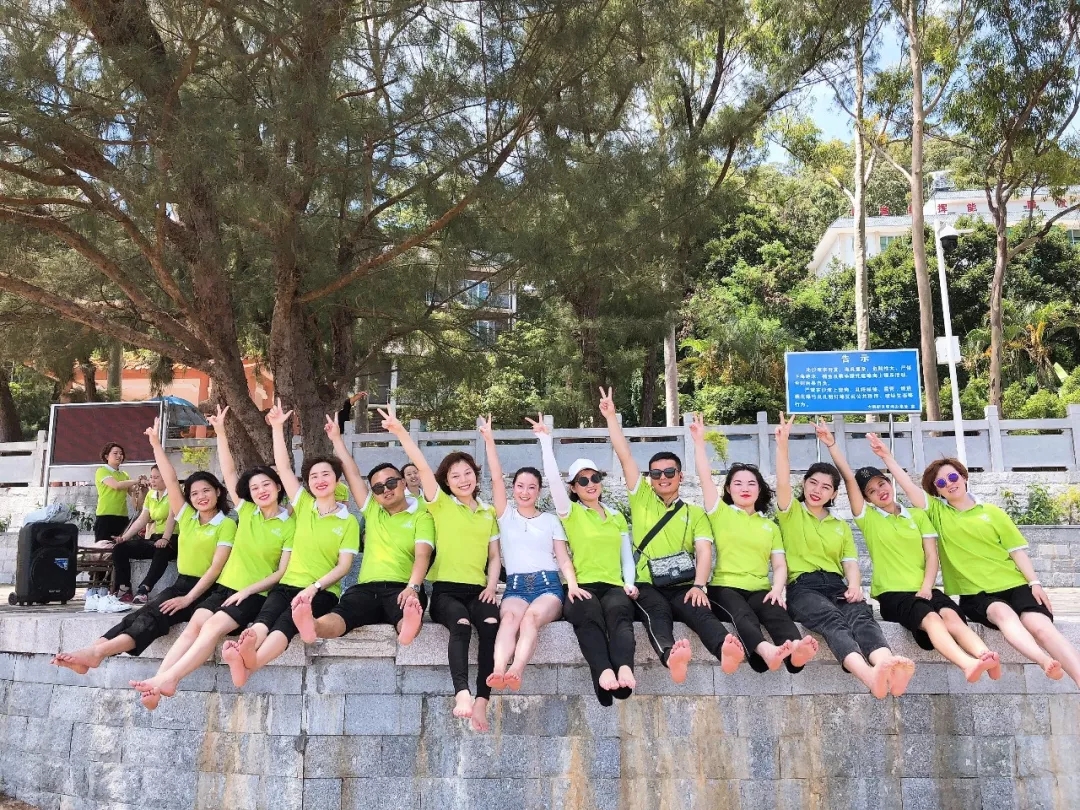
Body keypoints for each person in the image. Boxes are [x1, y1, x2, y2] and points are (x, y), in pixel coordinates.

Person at [876, 440, 1080, 687]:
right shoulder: (938, 513)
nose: (949, 483)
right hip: (977, 595)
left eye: (953, 477)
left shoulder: (992, 512)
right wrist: (887, 457)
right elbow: (908, 487)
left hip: (1014, 584)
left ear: (963, 477)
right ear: (937, 491)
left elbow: (1017, 552)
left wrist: (1034, 583)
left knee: (1041, 627)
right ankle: (1044, 661)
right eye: (941, 483)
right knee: (1002, 614)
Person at [129, 406, 295, 708]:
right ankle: (161, 679)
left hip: (252, 595)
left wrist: (247, 591)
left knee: (211, 628)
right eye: (254, 487)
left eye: (266, 485)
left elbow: (280, 573)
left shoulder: (290, 525)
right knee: (194, 626)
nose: (260, 491)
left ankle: (168, 679)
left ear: (278, 487)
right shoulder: (247, 511)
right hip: (224, 587)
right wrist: (220, 431)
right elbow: (228, 472)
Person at [52, 419, 236, 675]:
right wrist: (156, 444)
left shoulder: (226, 525)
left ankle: (97, 654)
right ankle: (92, 651)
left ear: (218, 492)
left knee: (154, 618)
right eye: (194, 493)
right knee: (138, 615)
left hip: (206, 590)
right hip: (182, 583)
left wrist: (188, 599)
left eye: (206, 491)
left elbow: (216, 569)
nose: (200, 497)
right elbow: (171, 480)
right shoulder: (187, 517)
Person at [819, 427, 1001, 683]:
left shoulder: (917, 515)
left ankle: (984, 655)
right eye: (871, 491)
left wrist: (927, 587)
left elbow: (932, 556)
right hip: (894, 595)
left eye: (881, 483)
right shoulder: (868, 518)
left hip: (925, 589)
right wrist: (832, 445)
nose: (880, 491)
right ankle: (967, 664)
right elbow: (849, 479)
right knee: (932, 619)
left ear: (889, 483)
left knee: (951, 616)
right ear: (867, 499)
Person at [600, 387, 744, 683]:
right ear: (649, 478)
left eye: (669, 472)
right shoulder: (641, 498)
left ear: (680, 476)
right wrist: (611, 417)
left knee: (700, 610)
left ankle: (725, 650)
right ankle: (670, 656)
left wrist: (700, 586)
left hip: (682, 582)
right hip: (647, 581)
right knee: (656, 613)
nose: (662, 478)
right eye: (656, 474)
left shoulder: (695, 513)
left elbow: (704, 551)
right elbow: (625, 456)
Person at [774, 413, 914, 699]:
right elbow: (783, 480)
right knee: (832, 619)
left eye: (826, 487)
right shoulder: (791, 512)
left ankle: (886, 664)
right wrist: (783, 444)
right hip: (804, 588)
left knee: (861, 615)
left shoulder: (840, 526)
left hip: (836, 584)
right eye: (813, 483)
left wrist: (854, 585)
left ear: (834, 494)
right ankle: (869, 676)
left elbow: (850, 563)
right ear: (804, 485)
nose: (817, 490)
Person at [221, 400, 360, 686]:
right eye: (313, 476)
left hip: (321, 591)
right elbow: (283, 468)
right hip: (287, 584)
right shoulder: (304, 505)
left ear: (337, 480)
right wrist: (277, 427)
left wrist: (314, 587)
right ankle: (245, 651)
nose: (320, 480)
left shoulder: (348, 522)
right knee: (266, 617)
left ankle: (248, 664)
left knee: (286, 622)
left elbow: (344, 567)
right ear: (307, 483)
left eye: (326, 474)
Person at [382, 404, 501, 733]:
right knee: (461, 626)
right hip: (447, 592)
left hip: (479, 591)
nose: (463, 479)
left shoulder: (488, 512)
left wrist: (492, 587)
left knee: (491, 626)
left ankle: (482, 700)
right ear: (446, 482)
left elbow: (494, 557)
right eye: (455, 476)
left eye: (467, 473)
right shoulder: (442, 505)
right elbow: (421, 465)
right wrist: (400, 431)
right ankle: (462, 693)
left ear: (475, 475)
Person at [688, 414, 819, 674]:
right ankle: (766, 651)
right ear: (728, 489)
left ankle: (795, 653)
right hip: (725, 588)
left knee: (776, 611)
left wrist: (777, 589)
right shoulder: (720, 513)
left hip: (760, 588)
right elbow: (705, 477)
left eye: (751, 483)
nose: (745, 488)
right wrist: (699, 442)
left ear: (760, 490)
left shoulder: (770, 526)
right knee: (742, 613)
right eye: (737, 483)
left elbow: (779, 565)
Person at [295, 415, 432, 646]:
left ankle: (407, 627)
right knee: (342, 614)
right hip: (366, 588)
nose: (385, 490)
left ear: (403, 483)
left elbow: (423, 556)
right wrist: (336, 438)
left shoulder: (422, 516)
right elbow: (351, 474)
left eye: (391, 483)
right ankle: (313, 626)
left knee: (407, 609)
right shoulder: (373, 511)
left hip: (402, 587)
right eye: (378, 488)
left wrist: (413, 587)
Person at [534, 413, 638, 706]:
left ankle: (624, 667)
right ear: (574, 487)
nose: (590, 483)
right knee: (588, 616)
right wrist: (545, 442)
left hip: (613, 584)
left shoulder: (615, 516)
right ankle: (604, 670)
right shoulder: (572, 513)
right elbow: (553, 480)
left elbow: (626, 557)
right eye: (582, 480)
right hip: (582, 585)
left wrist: (629, 583)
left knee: (620, 615)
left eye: (594, 478)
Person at [479, 415, 576, 692]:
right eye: (520, 486)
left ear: (539, 491)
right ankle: (498, 670)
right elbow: (496, 478)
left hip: (548, 587)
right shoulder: (505, 516)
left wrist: (572, 586)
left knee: (531, 618)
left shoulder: (550, 520)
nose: (525, 492)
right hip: (516, 587)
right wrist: (489, 441)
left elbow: (563, 558)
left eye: (531, 487)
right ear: (513, 489)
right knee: (509, 619)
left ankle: (516, 669)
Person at [110, 465, 177, 603]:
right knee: (120, 548)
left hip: (174, 539)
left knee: (162, 549)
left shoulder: (175, 493)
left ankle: (144, 589)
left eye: (156, 477)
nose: (152, 480)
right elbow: (142, 519)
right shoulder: (151, 495)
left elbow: (172, 517)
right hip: (156, 538)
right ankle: (124, 588)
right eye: (151, 477)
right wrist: (124, 537)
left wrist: (165, 538)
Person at [94, 441, 144, 546]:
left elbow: (133, 493)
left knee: (121, 547)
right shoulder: (102, 471)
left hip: (122, 516)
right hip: (105, 515)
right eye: (115, 453)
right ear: (106, 456)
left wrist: (141, 487)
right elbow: (116, 485)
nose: (119, 456)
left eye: (121, 453)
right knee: (104, 548)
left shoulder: (124, 475)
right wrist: (136, 481)